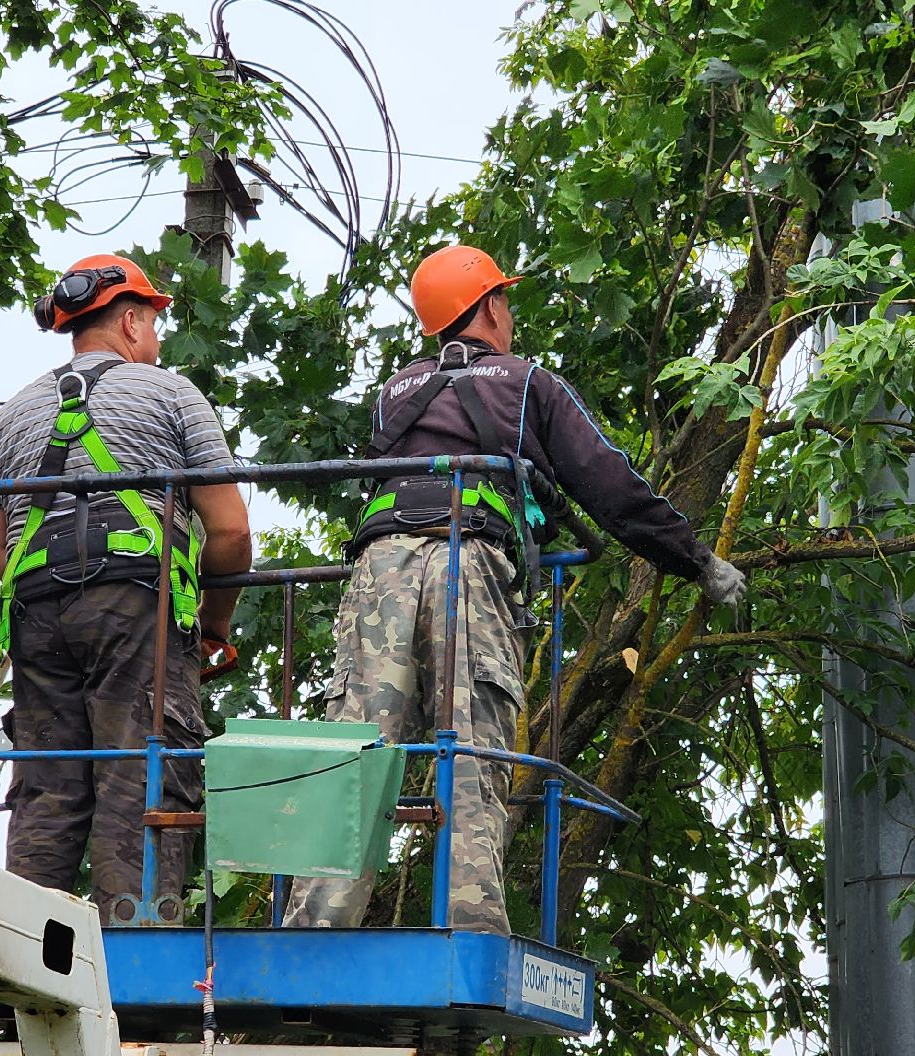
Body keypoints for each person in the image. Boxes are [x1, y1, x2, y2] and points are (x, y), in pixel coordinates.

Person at [285, 244, 746, 935]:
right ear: (491, 307)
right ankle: (470, 930)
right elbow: (612, 487)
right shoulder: (528, 383)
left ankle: (314, 935)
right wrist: (697, 561)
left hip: (378, 565)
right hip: (466, 563)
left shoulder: (394, 394)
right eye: (506, 300)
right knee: (473, 755)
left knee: (357, 753)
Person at [0, 253, 253, 925]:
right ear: (130, 323)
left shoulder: (10, 416)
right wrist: (212, 624)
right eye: (152, 326)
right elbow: (233, 533)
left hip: (36, 610)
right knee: (141, 774)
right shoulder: (170, 394)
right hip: (135, 607)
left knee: (49, 784)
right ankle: (136, 948)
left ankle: (27, 947)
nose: (155, 343)